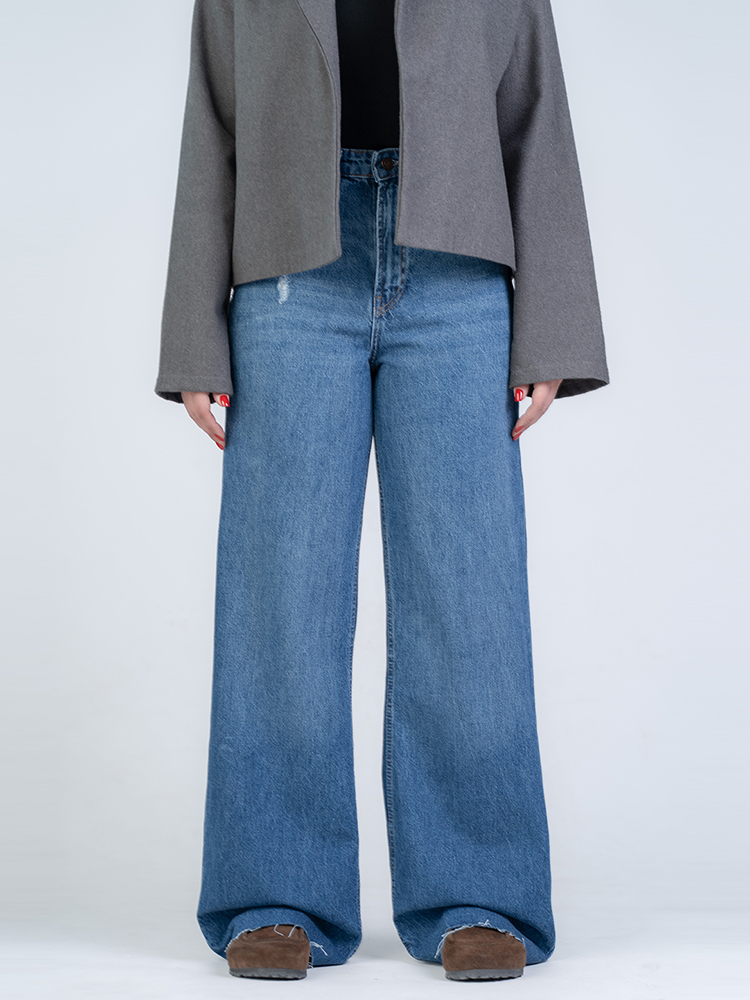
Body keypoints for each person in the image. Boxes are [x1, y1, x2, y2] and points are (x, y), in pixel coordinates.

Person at [155, 0, 610, 983]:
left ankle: (479, 895)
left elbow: (535, 114)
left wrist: (554, 329)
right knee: (281, 594)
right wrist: (193, 332)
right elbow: (214, 117)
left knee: (469, 592)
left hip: (458, 273)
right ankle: (276, 896)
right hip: (290, 269)